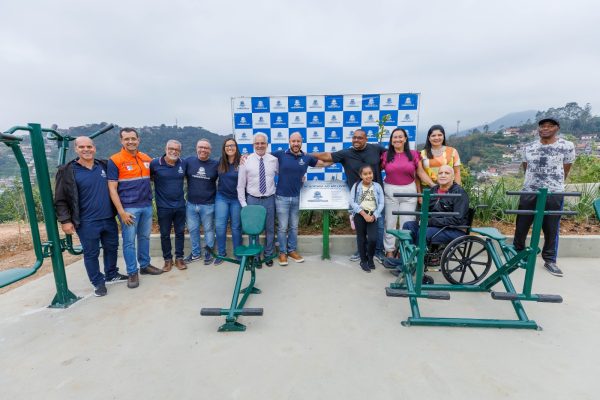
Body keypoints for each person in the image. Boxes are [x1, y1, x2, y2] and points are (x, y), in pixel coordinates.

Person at [54, 136, 126, 297]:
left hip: (108, 218)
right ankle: (97, 282)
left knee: (111, 247)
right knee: (91, 253)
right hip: (86, 221)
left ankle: (111, 274)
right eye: (82, 147)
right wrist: (65, 221)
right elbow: (60, 199)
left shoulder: (104, 166)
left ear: (94, 148)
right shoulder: (66, 171)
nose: (86, 150)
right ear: (76, 149)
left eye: (89, 147)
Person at [311, 129, 386, 263]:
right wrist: (305, 155)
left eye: (360, 138)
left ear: (366, 139)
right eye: (354, 137)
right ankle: (361, 251)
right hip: (358, 197)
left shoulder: (376, 148)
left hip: (376, 195)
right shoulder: (346, 153)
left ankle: (378, 252)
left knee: (379, 225)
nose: (356, 140)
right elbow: (326, 156)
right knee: (360, 227)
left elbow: (391, 155)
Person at [512, 117, 575, 277]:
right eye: (542, 126)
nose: (545, 129)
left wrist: (554, 183)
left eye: (549, 126)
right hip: (529, 191)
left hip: (554, 192)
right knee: (522, 225)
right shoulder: (529, 147)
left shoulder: (566, 146)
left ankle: (550, 260)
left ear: (557, 128)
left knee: (551, 227)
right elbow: (526, 167)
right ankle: (518, 254)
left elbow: (566, 169)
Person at [108, 128, 163, 289]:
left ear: (138, 140)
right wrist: (121, 212)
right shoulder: (115, 160)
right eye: (127, 139)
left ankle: (145, 265)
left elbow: (153, 176)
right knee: (129, 242)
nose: (130, 141)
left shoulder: (145, 158)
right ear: (121, 141)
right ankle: (132, 272)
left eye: (133, 138)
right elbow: (112, 189)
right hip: (128, 208)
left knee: (144, 238)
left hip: (146, 205)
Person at [402, 165, 469, 283]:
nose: (443, 175)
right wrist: (422, 219)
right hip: (434, 226)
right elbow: (425, 210)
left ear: (453, 177)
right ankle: (409, 260)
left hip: (454, 230)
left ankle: (417, 266)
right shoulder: (433, 190)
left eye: (447, 173)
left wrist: (431, 221)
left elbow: (457, 219)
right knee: (408, 225)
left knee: (425, 232)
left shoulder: (459, 193)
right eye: (440, 173)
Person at [272, 132, 328, 266]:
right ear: (289, 142)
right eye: (293, 141)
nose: (296, 143)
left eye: (298, 141)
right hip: (281, 197)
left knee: (294, 227)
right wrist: (246, 156)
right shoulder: (280, 154)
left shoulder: (306, 157)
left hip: (297, 197)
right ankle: (282, 253)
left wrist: (340, 159)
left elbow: (322, 164)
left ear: (301, 142)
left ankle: (292, 250)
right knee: (282, 228)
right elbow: (262, 157)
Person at [381, 128, 434, 257]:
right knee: (390, 222)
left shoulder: (414, 154)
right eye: (395, 137)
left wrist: (434, 185)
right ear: (391, 140)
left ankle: (403, 251)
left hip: (409, 192)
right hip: (390, 192)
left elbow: (420, 173)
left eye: (400, 137)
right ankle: (389, 251)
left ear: (405, 139)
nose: (398, 139)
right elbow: (374, 171)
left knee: (407, 223)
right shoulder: (385, 155)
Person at [237, 132, 278, 267]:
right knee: (252, 231)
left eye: (262, 143)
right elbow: (241, 185)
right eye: (257, 143)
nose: (260, 145)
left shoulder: (273, 160)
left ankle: (268, 255)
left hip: (269, 199)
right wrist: (244, 205)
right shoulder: (245, 160)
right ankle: (255, 257)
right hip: (252, 200)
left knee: (270, 229)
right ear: (253, 145)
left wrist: (300, 177)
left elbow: (285, 174)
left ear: (267, 145)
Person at [150, 140, 187, 272]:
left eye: (177, 149)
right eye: (171, 148)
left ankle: (179, 258)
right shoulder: (155, 163)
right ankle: (167, 259)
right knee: (165, 234)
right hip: (163, 206)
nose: (173, 151)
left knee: (180, 233)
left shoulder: (183, 163)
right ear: (165, 149)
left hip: (180, 205)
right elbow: (149, 179)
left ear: (180, 152)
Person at [184, 139, 219, 265]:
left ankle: (208, 253)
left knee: (209, 230)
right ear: (196, 148)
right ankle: (195, 254)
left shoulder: (215, 164)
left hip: (208, 204)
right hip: (191, 204)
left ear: (210, 150)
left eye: (206, 148)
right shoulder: (188, 161)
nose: (203, 150)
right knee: (193, 230)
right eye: (200, 147)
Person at [349, 165, 384, 273]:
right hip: (360, 215)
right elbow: (352, 202)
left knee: (373, 239)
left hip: (373, 215)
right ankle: (363, 261)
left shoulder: (377, 186)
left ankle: (370, 258)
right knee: (361, 238)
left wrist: (374, 215)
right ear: (361, 175)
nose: (368, 176)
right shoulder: (356, 186)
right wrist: (364, 214)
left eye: (370, 173)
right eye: (365, 174)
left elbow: (382, 203)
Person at [214, 138, 242, 265]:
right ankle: (221, 253)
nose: (230, 148)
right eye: (227, 146)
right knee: (220, 227)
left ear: (236, 147)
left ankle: (238, 254)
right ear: (224, 148)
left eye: (232, 145)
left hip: (237, 199)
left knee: (236, 227)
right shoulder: (220, 162)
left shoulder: (242, 162)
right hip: (222, 198)